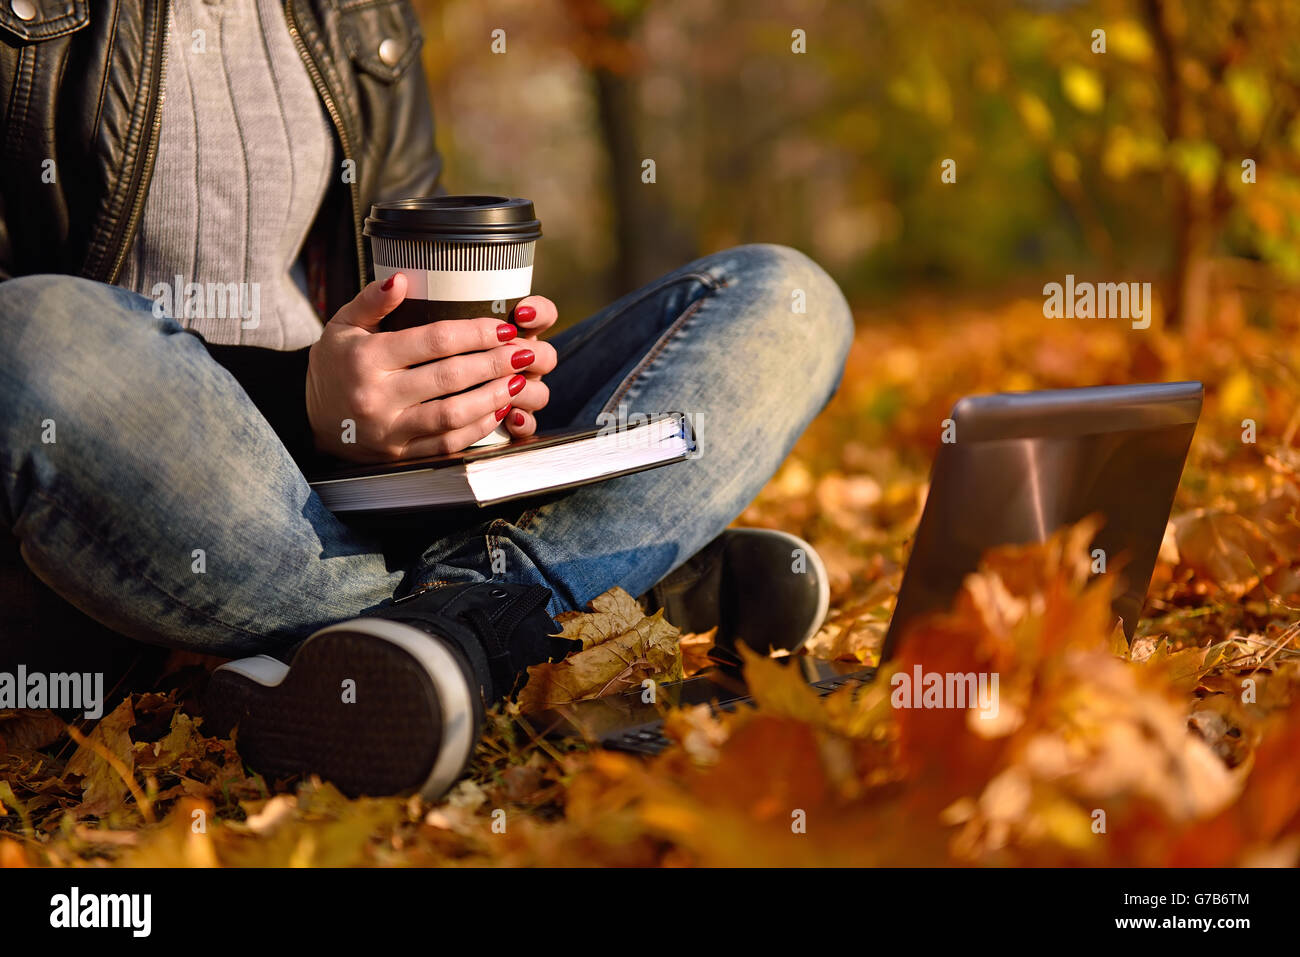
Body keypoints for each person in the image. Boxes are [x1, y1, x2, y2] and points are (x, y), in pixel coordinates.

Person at [0, 0, 852, 797]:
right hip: (199, 495)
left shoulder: (355, 11)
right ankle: (590, 586)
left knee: (785, 295)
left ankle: (444, 628)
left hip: (385, 485)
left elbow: (407, 258)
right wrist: (307, 398)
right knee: (31, 331)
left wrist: (469, 384)